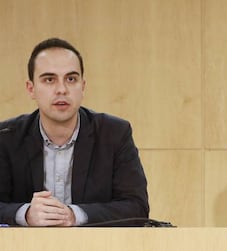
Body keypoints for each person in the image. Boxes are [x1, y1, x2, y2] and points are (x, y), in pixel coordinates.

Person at [0, 38, 149, 226]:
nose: (62, 90)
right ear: (31, 89)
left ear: (83, 86)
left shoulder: (114, 134)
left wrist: (74, 215)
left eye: (71, 79)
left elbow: (137, 207)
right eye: (49, 80)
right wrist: (26, 213)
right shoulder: (6, 137)